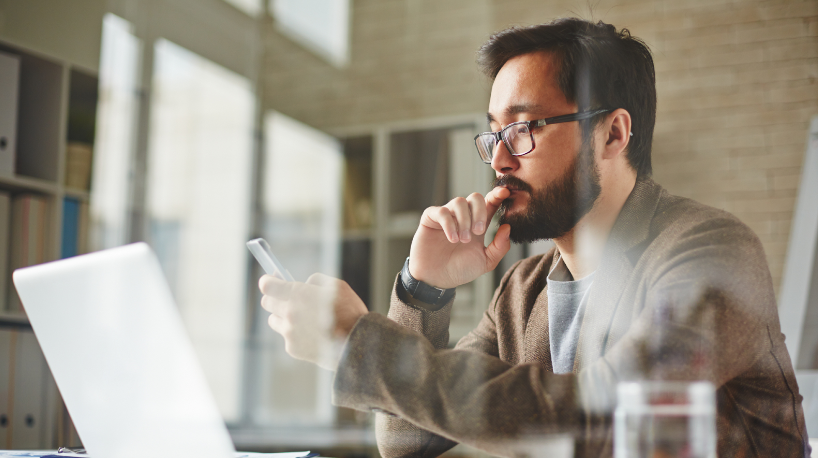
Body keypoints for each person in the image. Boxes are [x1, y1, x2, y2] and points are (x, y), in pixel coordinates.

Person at [258, 18, 809, 458]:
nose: (498, 158)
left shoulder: (711, 254)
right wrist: (423, 288)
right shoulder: (523, 289)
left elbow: (600, 424)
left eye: (523, 129)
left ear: (612, 133)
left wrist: (359, 344)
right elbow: (405, 443)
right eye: (495, 132)